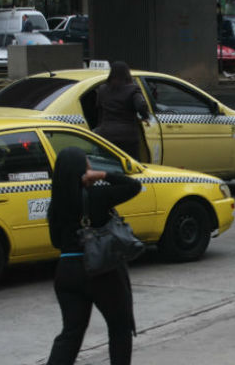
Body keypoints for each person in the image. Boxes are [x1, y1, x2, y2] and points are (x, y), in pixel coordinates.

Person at [46, 146, 142, 365]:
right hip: (102, 271)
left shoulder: (56, 205)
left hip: (67, 271)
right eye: (88, 163)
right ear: (83, 169)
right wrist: (103, 175)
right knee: (119, 328)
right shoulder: (97, 195)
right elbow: (134, 186)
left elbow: (56, 241)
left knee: (71, 333)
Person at [95, 61, 150, 160]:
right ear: (127, 74)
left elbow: (99, 110)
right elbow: (141, 105)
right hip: (127, 136)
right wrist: (145, 116)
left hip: (106, 134)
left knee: (109, 164)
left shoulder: (102, 89)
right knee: (130, 165)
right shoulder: (133, 89)